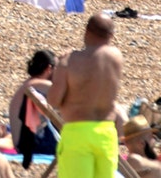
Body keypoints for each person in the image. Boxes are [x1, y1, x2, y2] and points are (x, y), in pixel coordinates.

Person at [47, 14, 123, 178]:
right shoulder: (116, 57)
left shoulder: (70, 61)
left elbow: (54, 100)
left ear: (87, 31)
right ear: (111, 35)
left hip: (77, 132)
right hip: (106, 132)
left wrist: (60, 66)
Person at [8, 50, 59, 162]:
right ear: (49, 68)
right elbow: (71, 95)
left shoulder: (29, 84)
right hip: (33, 146)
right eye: (57, 68)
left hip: (24, 145)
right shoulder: (39, 84)